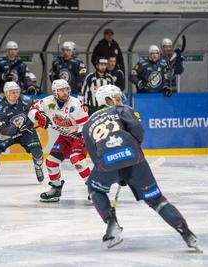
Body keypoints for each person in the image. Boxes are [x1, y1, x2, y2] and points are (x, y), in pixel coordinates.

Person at [82, 84, 201, 251]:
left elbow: (94, 155)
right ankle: (187, 233)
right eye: (115, 97)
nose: (119, 99)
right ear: (106, 100)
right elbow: (138, 130)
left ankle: (111, 222)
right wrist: (132, 150)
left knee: (94, 188)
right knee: (156, 200)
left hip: (107, 163)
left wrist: (113, 171)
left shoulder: (87, 124)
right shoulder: (121, 109)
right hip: (134, 158)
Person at [28, 79, 90, 202]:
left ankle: (94, 189)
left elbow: (85, 124)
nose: (65, 92)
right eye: (61, 90)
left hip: (79, 136)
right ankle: (56, 189)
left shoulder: (76, 104)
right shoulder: (47, 101)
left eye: (66, 89)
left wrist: (80, 134)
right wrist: (39, 116)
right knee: (51, 161)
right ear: (55, 92)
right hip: (64, 138)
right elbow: (32, 109)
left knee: (76, 159)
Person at [0, 81, 44, 186]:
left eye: (17, 92)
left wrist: (39, 118)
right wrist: (17, 130)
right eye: (12, 92)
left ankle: (38, 167)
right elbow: (3, 129)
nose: (15, 94)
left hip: (27, 131)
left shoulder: (27, 100)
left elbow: (38, 110)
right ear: (6, 93)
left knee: (37, 152)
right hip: (7, 134)